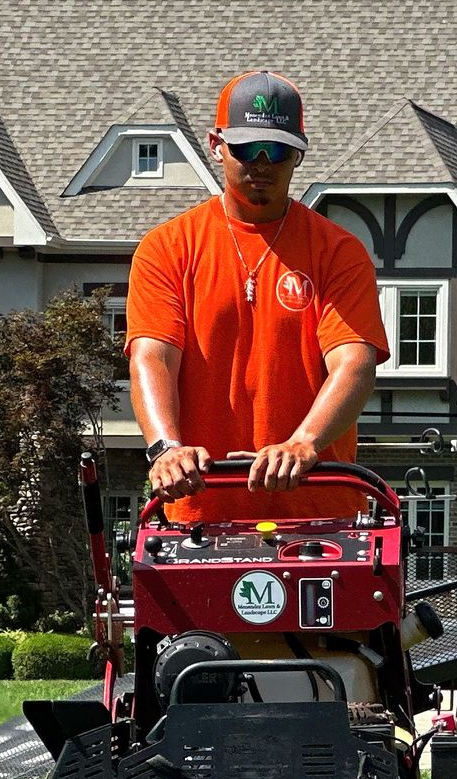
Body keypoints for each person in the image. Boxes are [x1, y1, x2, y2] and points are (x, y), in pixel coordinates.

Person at [125, 70, 385, 522]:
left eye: (278, 150)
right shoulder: (168, 247)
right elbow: (153, 357)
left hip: (320, 515)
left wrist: (303, 442)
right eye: (247, 148)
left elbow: (354, 364)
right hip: (202, 514)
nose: (262, 163)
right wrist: (166, 448)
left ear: (298, 154)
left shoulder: (338, 251)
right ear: (216, 145)